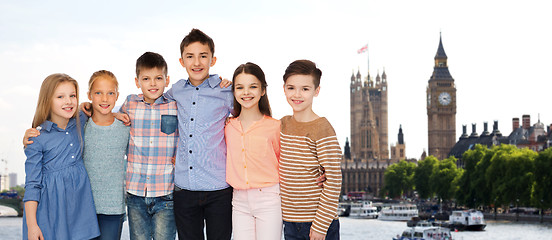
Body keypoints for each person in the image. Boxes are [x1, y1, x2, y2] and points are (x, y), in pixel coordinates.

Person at [166, 28, 234, 240]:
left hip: (219, 188)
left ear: (213, 60)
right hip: (184, 187)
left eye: (203, 56)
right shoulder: (175, 90)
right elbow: (151, 101)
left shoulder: (225, 92)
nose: (197, 62)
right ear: (181, 61)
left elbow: (249, 119)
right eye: (190, 56)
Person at [23, 73, 100, 240]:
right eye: (60, 96)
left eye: (72, 96)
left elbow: (104, 110)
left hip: (79, 209)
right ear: (47, 100)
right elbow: (32, 185)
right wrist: (32, 226)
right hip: (50, 214)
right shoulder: (37, 138)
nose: (68, 101)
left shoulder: (80, 119)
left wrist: (115, 115)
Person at [279, 60, 342, 240]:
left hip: (317, 223)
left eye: (305, 89)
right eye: (291, 88)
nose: (297, 94)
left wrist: (320, 226)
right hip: (290, 222)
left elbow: (334, 180)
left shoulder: (322, 129)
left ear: (317, 91)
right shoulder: (282, 125)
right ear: (284, 89)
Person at [118, 52, 178, 240]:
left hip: (166, 193)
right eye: (146, 79)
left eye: (158, 78)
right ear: (137, 82)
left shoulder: (175, 106)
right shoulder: (130, 103)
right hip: (135, 192)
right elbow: (109, 116)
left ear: (167, 80)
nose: (153, 84)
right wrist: (87, 107)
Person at [225, 62, 282, 240]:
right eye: (240, 87)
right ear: (233, 91)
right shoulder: (227, 126)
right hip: (239, 200)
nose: (246, 92)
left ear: (263, 90)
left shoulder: (275, 126)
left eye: (253, 87)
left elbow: (286, 162)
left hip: (269, 199)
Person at [83, 70, 130, 240]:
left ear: (117, 96)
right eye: (98, 93)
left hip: (113, 208)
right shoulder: (82, 127)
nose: (104, 99)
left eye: (110, 93)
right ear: (89, 95)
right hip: (84, 208)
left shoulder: (125, 127)